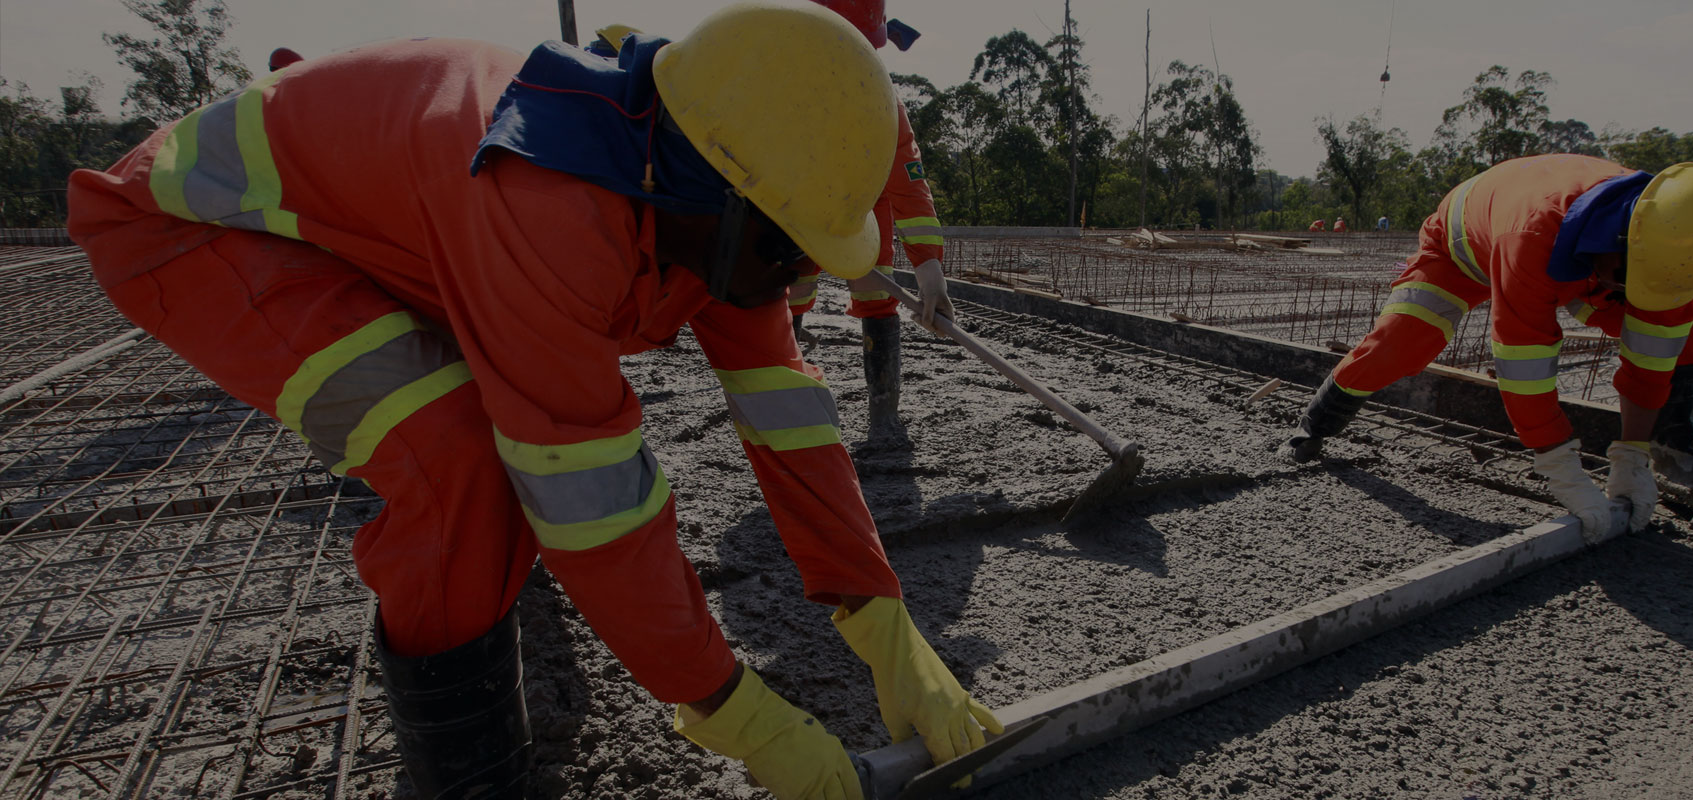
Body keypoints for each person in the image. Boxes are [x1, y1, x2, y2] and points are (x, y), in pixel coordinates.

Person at [66, 5, 998, 799]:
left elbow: (788, 418)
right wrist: (733, 710)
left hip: (376, 238)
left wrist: (885, 624)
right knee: (458, 461)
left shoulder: (707, 200)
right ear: (715, 194)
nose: (787, 278)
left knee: (485, 454)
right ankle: (465, 775)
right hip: (197, 232)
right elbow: (591, 500)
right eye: (782, 249)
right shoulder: (551, 201)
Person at [1284, 155, 1693, 540]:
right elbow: (1524, 365)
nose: (1635, 293)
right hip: (1463, 249)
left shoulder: (1670, 247)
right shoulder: (1532, 237)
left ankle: (1671, 456)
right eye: (1626, 279)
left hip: (1575, 252)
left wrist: (1630, 453)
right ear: (1620, 240)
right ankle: (1316, 423)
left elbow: (1652, 360)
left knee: (1685, 322)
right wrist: (1560, 466)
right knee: (1404, 343)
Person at [784, 0, 956, 439]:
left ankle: (884, 415)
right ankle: (786, 407)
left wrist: (931, 275)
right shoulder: (779, 82)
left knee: (876, 294)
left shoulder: (882, 102)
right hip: (794, 205)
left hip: (864, 210)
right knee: (790, 296)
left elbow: (910, 191)